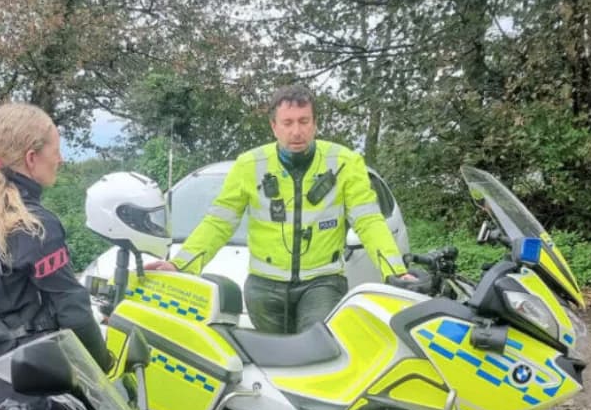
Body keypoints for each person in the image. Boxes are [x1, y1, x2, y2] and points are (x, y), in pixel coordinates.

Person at [146, 85, 411, 334]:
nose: (296, 131)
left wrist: (395, 271)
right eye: (287, 123)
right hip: (264, 288)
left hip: (322, 283)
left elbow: (369, 221)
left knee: (315, 357)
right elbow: (219, 223)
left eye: (304, 121)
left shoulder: (345, 162)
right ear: (274, 126)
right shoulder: (249, 165)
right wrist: (179, 265)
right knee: (270, 369)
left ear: (315, 123)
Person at [0, 103, 113, 406]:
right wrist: (104, 366)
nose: (60, 159)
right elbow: (72, 309)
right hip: (47, 381)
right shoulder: (35, 225)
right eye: (56, 150)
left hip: (5, 377)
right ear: (32, 158)